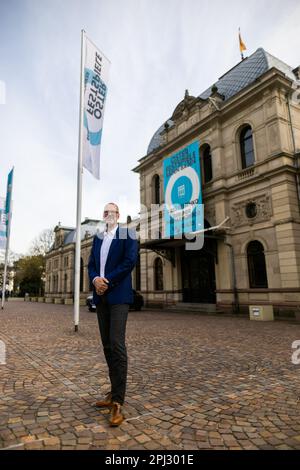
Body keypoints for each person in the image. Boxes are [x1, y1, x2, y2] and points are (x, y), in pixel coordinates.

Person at [88, 202, 138, 426]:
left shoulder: (128, 233)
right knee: (107, 345)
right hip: (101, 297)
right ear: (103, 215)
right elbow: (90, 265)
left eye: (112, 211)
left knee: (117, 343)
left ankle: (118, 402)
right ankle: (112, 393)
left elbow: (130, 262)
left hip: (118, 296)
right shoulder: (97, 237)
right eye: (105, 211)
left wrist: (107, 281)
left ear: (118, 215)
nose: (109, 214)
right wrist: (95, 280)